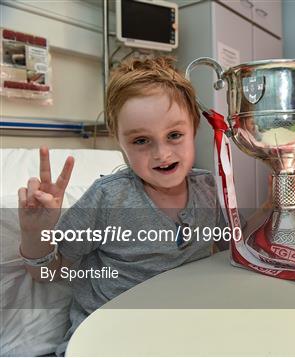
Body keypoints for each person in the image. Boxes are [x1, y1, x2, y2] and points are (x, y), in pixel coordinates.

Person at [17, 57, 227, 355]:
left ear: (194, 129)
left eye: (174, 135)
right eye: (142, 140)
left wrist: (275, 203)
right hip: (107, 337)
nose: (162, 153)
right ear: (119, 142)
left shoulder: (207, 189)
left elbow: (233, 250)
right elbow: (49, 272)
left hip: (178, 332)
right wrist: (36, 232)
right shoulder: (108, 200)